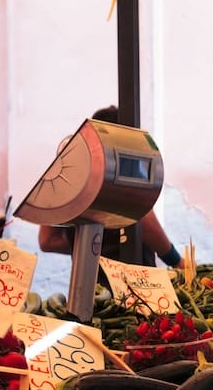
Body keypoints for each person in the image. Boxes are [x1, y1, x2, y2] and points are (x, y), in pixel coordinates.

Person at [37, 106, 182, 269]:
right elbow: (145, 221)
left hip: (88, 283)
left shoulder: (71, 180)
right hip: (132, 280)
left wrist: (93, 246)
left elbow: (48, 241)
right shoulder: (124, 168)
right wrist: (177, 261)